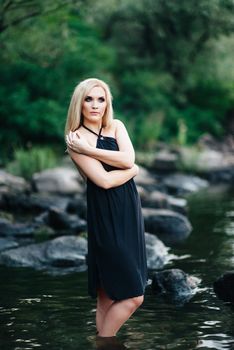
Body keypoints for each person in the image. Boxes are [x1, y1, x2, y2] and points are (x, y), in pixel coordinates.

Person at [65, 78, 148, 339]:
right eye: (89, 99)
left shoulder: (116, 126)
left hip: (129, 211)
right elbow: (104, 180)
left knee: (105, 296)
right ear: (79, 102)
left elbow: (128, 158)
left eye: (101, 99)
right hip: (104, 214)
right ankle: (104, 342)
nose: (95, 105)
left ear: (107, 102)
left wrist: (92, 151)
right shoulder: (75, 138)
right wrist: (132, 171)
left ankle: (102, 340)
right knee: (135, 296)